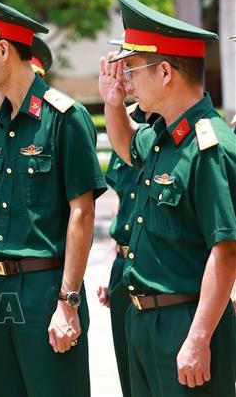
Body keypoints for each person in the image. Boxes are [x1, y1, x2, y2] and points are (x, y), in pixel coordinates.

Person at [0, 0, 107, 396]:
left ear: (2, 50)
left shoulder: (64, 117)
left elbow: (82, 213)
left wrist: (68, 302)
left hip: (45, 289)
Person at [99, 0, 236, 396]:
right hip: (145, 321)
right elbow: (127, 146)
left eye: (133, 69)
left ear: (164, 72)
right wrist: (113, 104)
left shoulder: (209, 146)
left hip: (186, 322)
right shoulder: (165, 135)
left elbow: (227, 249)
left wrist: (198, 338)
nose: (127, 80)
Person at [97, 97, 158, 397]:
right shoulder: (124, 118)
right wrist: (112, 256)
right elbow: (121, 197)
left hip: (157, 265)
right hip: (123, 264)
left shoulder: (171, 120)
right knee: (129, 376)